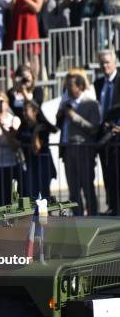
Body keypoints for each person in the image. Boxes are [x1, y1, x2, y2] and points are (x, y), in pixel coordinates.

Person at [56, 73, 101, 216]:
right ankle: (77, 217)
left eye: (70, 85)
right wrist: (60, 115)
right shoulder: (65, 104)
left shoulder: (91, 104)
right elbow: (58, 126)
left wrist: (74, 117)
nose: (67, 89)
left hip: (84, 150)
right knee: (73, 189)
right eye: (66, 85)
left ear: (80, 86)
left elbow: (94, 128)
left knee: (87, 187)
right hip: (68, 151)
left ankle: (93, 216)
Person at [95, 50, 120, 214]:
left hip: (118, 136)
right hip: (104, 137)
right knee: (107, 174)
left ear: (115, 62)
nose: (105, 66)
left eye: (107, 62)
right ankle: (112, 206)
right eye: (102, 63)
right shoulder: (97, 84)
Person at [16, 100, 58, 199]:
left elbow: (37, 148)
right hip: (30, 163)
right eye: (23, 111)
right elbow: (16, 142)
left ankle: (46, 213)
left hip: (42, 163)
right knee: (32, 194)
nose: (24, 113)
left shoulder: (42, 126)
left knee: (43, 194)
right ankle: (36, 214)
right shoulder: (23, 126)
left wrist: (35, 133)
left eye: (26, 110)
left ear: (35, 111)